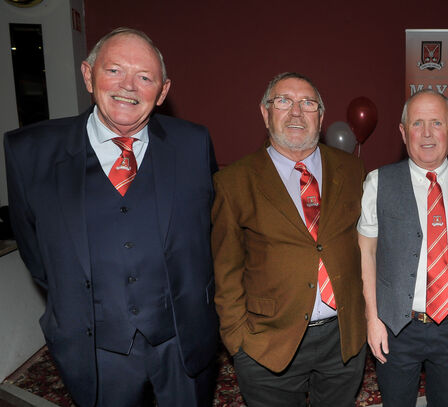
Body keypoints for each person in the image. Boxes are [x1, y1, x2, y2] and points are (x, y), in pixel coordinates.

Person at [4, 27, 219, 406]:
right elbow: (35, 255)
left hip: (180, 340)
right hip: (95, 348)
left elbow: (212, 233)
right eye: (114, 70)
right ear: (88, 75)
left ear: (163, 91)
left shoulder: (194, 143)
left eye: (145, 77)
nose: (129, 87)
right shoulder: (29, 151)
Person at [211, 72, 367, 406]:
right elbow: (225, 269)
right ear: (265, 113)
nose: (296, 112)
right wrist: (237, 341)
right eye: (283, 101)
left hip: (343, 339)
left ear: (321, 117)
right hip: (267, 344)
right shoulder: (233, 182)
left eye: (308, 103)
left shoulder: (353, 172)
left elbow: (367, 248)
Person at [358, 90, 448, 406]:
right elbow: (366, 253)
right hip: (396, 327)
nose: (427, 133)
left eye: (436, 122)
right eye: (417, 123)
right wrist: (372, 319)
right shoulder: (378, 182)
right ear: (403, 132)